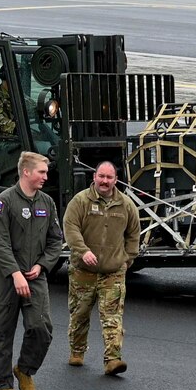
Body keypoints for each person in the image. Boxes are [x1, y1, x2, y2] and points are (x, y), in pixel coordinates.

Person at [0, 152, 63, 390]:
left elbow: (55, 242)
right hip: (7, 279)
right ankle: (3, 384)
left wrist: (42, 266)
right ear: (26, 172)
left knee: (42, 328)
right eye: (42, 172)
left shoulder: (47, 203)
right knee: (2, 331)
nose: (46, 176)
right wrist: (15, 274)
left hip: (35, 276)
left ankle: (25, 370)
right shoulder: (3, 202)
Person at [63, 160, 141, 375]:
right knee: (79, 314)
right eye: (101, 176)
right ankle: (77, 351)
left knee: (112, 317)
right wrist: (82, 251)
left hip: (113, 273)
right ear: (94, 177)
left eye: (109, 177)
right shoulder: (80, 201)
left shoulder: (126, 205)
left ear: (116, 180)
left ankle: (113, 359)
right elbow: (70, 228)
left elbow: (134, 234)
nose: (105, 181)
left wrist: (127, 260)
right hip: (82, 271)